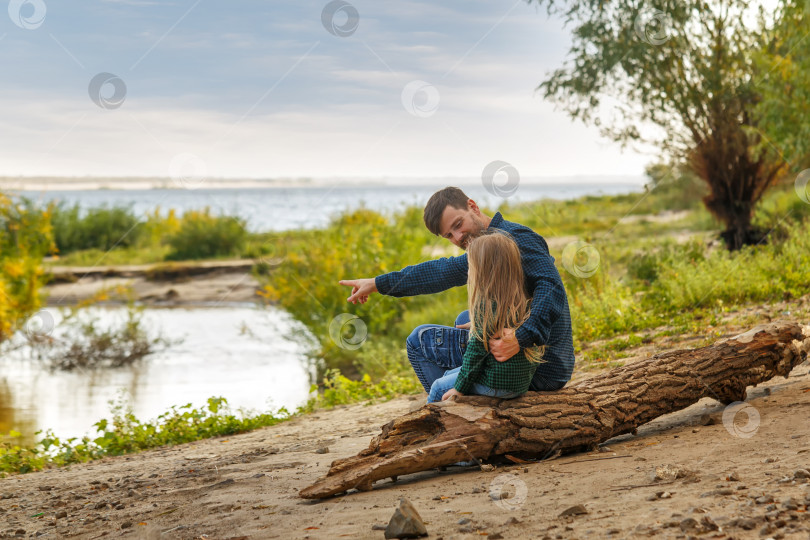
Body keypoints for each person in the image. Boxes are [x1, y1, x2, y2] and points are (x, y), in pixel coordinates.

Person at [339, 186, 575, 393]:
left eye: (458, 225)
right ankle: (470, 389)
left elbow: (552, 287)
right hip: (545, 361)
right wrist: (378, 283)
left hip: (543, 366)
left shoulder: (514, 239)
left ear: (472, 206)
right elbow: (441, 272)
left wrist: (520, 337)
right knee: (465, 318)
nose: (459, 237)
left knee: (418, 340)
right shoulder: (488, 246)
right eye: (449, 235)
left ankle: (448, 409)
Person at [426, 231, 545, 403]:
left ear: (482, 271)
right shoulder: (523, 298)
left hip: (497, 384)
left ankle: (429, 426)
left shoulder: (488, 306)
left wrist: (459, 389)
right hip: (518, 383)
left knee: (438, 386)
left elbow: (475, 353)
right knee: (447, 374)